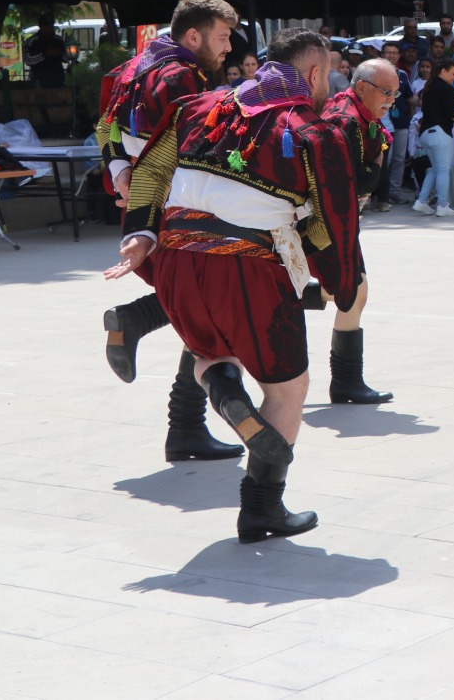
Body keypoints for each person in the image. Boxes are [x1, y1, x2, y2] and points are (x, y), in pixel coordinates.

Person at [105, 27, 361, 543]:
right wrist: (341, 281)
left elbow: (151, 168)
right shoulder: (313, 131)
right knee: (287, 389)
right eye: (328, 73)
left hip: (176, 257)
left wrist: (139, 235)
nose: (331, 84)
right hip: (247, 265)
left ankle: (225, 397)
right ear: (313, 73)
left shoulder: (199, 106)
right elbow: (334, 218)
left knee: (209, 349)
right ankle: (262, 508)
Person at [96, 0, 245, 462]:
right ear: (194, 35)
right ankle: (185, 426)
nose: (229, 49)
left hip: (148, 203)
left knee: (199, 305)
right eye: (222, 38)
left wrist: (120, 169)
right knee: (213, 307)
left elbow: (104, 127)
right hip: (181, 208)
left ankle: (138, 324)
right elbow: (189, 150)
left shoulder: (134, 66)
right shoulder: (182, 75)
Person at [317, 59, 398, 403]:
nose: (392, 99)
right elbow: (361, 180)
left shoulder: (351, 113)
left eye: (396, 93)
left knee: (347, 291)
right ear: (362, 87)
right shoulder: (347, 120)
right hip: (327, 223)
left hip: (334, 221)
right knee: (354, 291)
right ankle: (346, 382)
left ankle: (346, 382)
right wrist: (379, 152)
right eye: (387, 92)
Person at [414, 57, 454, 215]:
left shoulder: (429, 87)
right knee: (442, 170)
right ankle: (442, 205)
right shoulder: (446, 88)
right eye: (453, 74)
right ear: (443, 71)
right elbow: (451, 113)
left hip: (426, 133)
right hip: (440, 132)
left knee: (435, 169)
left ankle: (422, 201)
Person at [377, 44, 413, 209]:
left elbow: (410, 98)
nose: (391, 56)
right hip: (382, 124)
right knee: (385, 160)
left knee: (399, 159)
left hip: (402, 123)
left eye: (394, 53)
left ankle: (394, 193)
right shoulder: (376, 73)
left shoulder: (403, 75)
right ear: (382, 54)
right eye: (388, 52)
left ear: (399, 56)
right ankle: (379, 195)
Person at [22, 15, 69, 87]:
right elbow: (27, 60)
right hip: (39, 79)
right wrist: (44, 54)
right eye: (46, 26)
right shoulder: (32, 41)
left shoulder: (59, 40)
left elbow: (67, 57)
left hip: (58, 78)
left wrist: (59, 53)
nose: (48, 28)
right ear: (40, 26)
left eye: (51, 25)